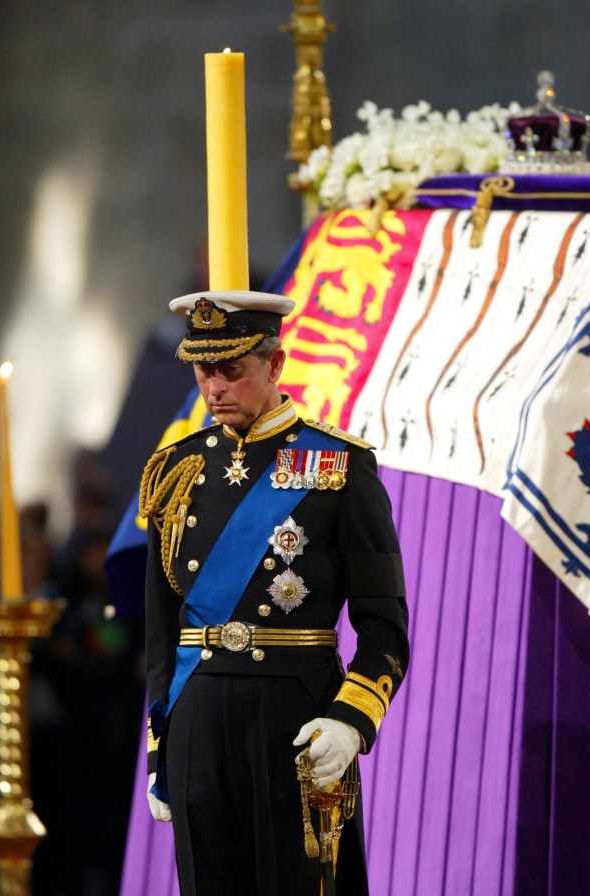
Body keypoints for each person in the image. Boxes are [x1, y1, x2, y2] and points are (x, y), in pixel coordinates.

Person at [140, 289, 409, 896]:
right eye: (204, 370)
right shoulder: (175, 469)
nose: (215, 387)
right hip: (198, 724)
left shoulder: (337, 465)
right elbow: (161, 629)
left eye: (232, 368)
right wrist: (164, 746)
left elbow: (385, 625)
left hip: (296, 720)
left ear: (275, 364)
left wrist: (349, 720)